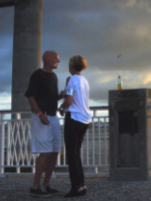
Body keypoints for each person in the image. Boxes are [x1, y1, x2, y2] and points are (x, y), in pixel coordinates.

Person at [23, 52, 65, 196]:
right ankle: (35, 186)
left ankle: (46, 185)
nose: (58, 60)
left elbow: (51, 97)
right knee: (45, 152)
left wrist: (60, 96)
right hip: (42, 116)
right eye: (56, 58)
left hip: (53, 117)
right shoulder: (37, 75)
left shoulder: (53, 76)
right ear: (47, 58)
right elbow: (31, 97)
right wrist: (40, 114)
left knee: (54, 152)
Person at [59, 55, 95, 197]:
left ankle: (77, 187)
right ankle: (82, 185)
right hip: (84, 120)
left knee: (72, 155)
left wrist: (61, 107)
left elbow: (69, 100)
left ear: (72, 66)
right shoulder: (84, 81)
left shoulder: (71, 79)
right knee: (76, 154)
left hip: (73, 118)